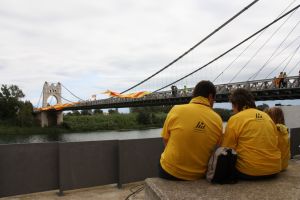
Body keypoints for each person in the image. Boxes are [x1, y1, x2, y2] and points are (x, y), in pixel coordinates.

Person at [159, 80, 223, 180]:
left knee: (164, 156)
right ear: (210, 97)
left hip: (169, 172)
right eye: (214, 99)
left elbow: (165, 139)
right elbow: (218, 146)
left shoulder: (176, 109)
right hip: (198, 175)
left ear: (194, 95)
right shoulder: (218, 119)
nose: (213, 102)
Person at [221, 88, 281, 180]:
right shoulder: (267, 117)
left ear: (236, 104)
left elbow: (227, 147)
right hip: (274, 169)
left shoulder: (235, 119)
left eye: (232, 106)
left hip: (249, 171)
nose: (233, 110)